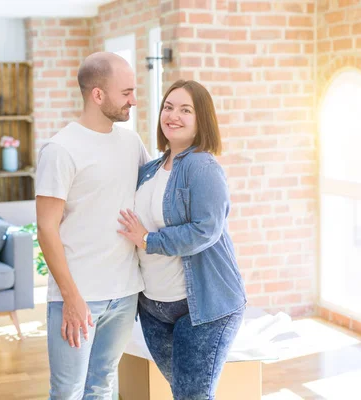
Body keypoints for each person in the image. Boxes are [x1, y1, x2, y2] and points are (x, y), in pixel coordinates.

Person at [117, 79, 247, 399]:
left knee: (191, 396)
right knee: (184, 394)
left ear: (201, 119)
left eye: (185, 110)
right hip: (153, 309)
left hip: (202, 308)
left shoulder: (202, 166)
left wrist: (149, 240)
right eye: (168, 107)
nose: (173, 115)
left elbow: (206, 229)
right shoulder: (150, 169)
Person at [35, 52, 150, 399]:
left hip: (125, 291)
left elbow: (153, 196)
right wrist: (71, 298)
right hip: (78, 297)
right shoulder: (60, 149)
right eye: (126, 92)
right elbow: (46, 229)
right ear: (98, 95)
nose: (134, 100)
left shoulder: (132, 143)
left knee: (102, 385)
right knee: (68, 391)